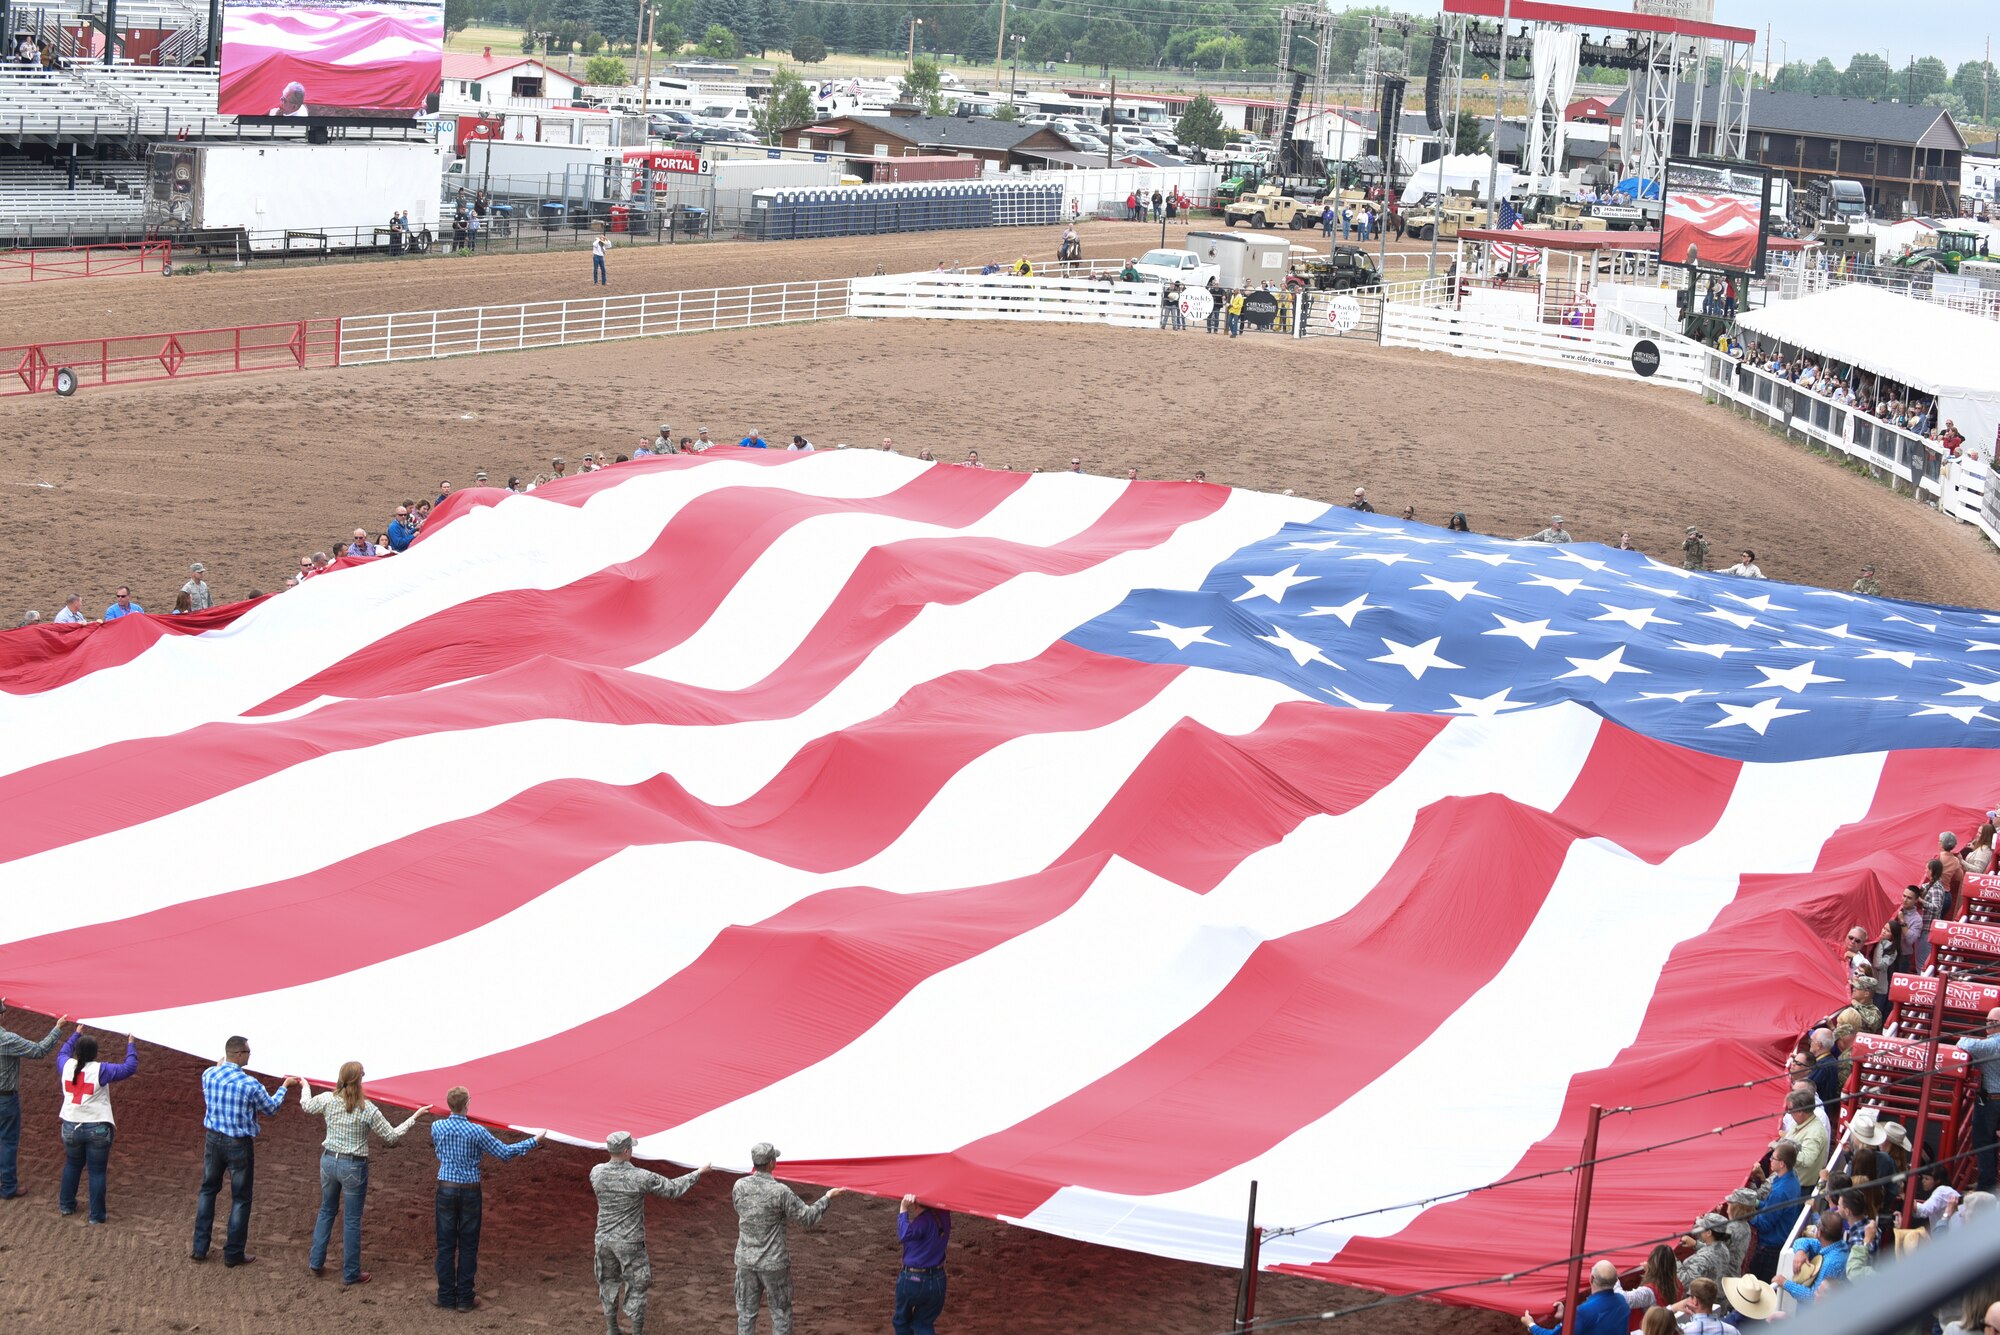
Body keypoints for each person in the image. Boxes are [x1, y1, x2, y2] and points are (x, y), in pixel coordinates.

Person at [298, 1062, 428, 1285]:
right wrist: (414, 1118)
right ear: (361, 1080)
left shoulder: (328, 1100)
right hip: (353, 1167)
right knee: (351, 1220)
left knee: (326, 1211)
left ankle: (316, 1261)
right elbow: (391, 1137)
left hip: (329, 1161)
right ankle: (351, 1273)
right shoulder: (367, 1108)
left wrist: (305, 1085)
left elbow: (306, 1105)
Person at [431, 1085, 543, 1311]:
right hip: (470, 1189)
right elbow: (504, 1153)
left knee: (445, 1244)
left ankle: (445, 1296)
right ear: (467, 1103)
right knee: (468, 1244)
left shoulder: (437, 1126)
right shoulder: (477, 1131)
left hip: (446, 1187)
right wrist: (534, 1140)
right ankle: (464, 1297)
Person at [194, 1036, 298, 1265]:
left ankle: (199, 1247)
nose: (250, 1055)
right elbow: (271, 1109)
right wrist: (284, 1087)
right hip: (238, 1144)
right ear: (239, 1054)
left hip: (213, 1139)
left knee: (208, 1190)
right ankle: (233, 1254)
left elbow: (215, 1069)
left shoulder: (209, 1074)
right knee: (241, 1198)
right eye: (248, 1052)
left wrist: (219, 1064)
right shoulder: (250, 1084)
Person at [591, 1131, 708, 1335]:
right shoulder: (639, 1176)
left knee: (608, 1283)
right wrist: (698, 1173)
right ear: (627, 1151)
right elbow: (672, 1189)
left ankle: (612, 1329)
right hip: (629, 1242)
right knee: (636, 1286)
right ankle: (636, 1332)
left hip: (603, 1240)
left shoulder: (596, 1172)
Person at [732, 1142, 848, 1335]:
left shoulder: (739, 1186)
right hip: (774, 1264)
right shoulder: (780, 1191)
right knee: (780, 1314)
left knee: (746, 1314)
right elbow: (807, 1217)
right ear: (771, 1163)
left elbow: (739, 1210)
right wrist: (827, 1197)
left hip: (745, 1261)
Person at [55, 1026, 138, 1223]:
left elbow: (62, 1052)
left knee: (72, 1165)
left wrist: (76, 1033)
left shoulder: (66, 1065)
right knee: (97, 1171)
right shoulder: (101, 1070)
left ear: (77, 1051)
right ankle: (96, 1216)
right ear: (95, 1053)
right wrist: (131, 1044)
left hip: (70, 1125)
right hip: (98, 1127)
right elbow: (129, 1067)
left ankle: (66, 1205)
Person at [0, 1000, 67, 1200]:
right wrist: (57, 1029)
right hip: (5, 1099)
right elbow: (39, 1051)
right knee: (8, 1142)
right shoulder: (6, 1039)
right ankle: (8, 1186)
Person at [893, 1193, 950, 1335]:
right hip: (938, 1279)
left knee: (901, 1321)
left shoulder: (922, 1222)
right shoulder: (944, 1215)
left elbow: (904, 1234)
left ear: (916, 1204)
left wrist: (903, 1209)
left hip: (912, 1280)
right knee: (923, 1324)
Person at [1523, 1260, 1626, 1335]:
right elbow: (1596, 1323)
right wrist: (1567, 1317)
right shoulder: (1622, 1302)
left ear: (1591, 1278)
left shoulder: (1583, 1312)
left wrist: (1531, 1325)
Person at [1959, 1007, 2000, 1191]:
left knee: (1983, 1141)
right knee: (1990, 1140)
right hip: (1994, 1099)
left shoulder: (1993, 1044)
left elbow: (1965, 1043)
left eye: (1993, 1022)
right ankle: (1988, 1179)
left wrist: (1963, 1038)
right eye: (1988, 1021)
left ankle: (1986, 1184)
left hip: (1991, 1100)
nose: (1989, 1025)